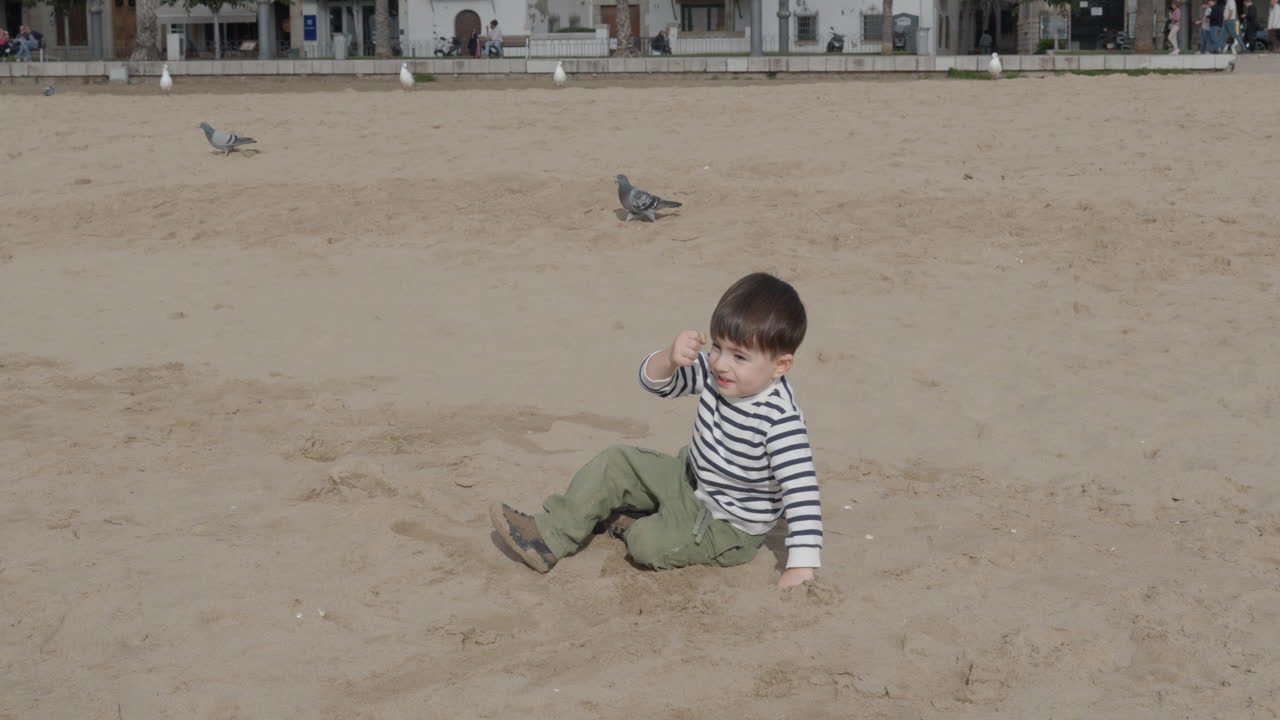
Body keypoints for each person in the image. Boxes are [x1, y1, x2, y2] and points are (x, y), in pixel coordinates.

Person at [490, 272, 824, 589]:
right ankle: (548, 537)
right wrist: (669, 357)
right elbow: (657, 384)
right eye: (718, 347)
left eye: (739, 356)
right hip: (688, 476)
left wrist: (801, 566)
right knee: (616, 461)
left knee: (645, 544)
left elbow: (802, 494)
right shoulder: (717, 375)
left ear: (780, 365)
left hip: (726, 524)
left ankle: (640, 523)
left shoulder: (780, 422)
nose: (721, 363)